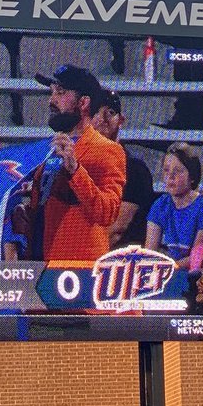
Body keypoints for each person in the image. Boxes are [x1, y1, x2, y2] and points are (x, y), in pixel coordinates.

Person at [25, 64, 126, 261]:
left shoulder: (108, 150)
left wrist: (75, 170)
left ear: (83, 102)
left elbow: (107, 212)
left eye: (60, 92)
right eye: (52, 92)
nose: (51, 100)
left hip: (78, 269)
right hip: (41, 264)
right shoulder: (49, 149)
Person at [144, 143, 203, 294]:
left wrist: (162, 271)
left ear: (192, 177)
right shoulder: (160, 205)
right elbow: (149, 254)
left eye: (178, 171)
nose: (170, 176)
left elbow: (197, 258)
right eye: (166, 170)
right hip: (175, 274)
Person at [91, 89, 155, 249]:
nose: (103, 119)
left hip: (123, 262)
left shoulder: (134, 168)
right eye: (96, 113)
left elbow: (116, 230)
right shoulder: (82, 165)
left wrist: (82, 258)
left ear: (121, 120)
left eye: (110, 112)